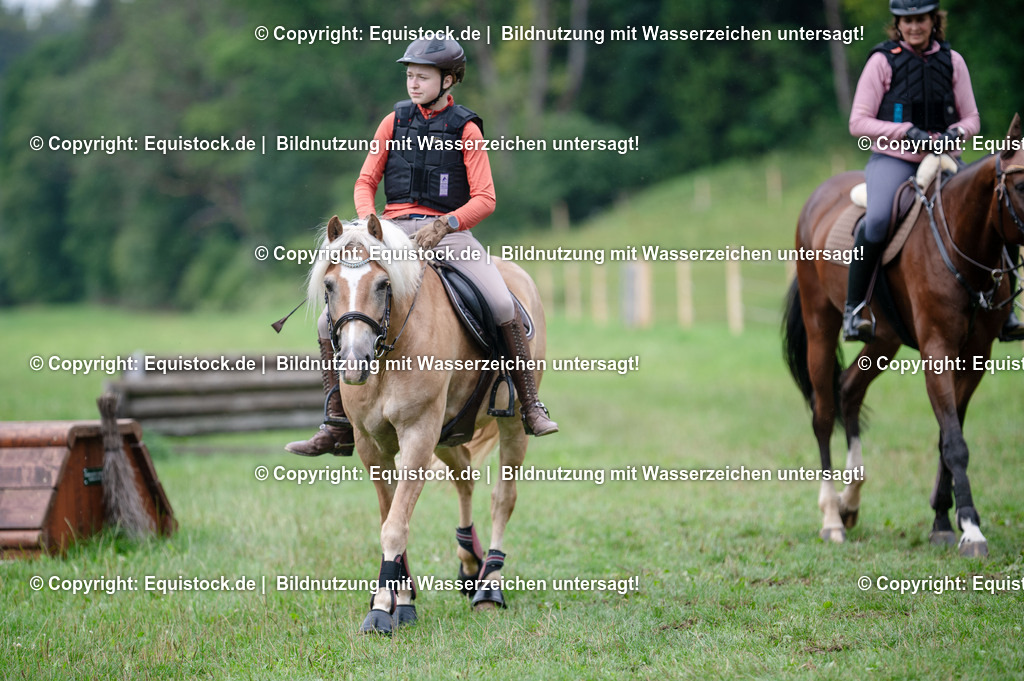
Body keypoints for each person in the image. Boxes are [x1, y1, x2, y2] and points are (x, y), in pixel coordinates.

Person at [286, 37, 557, 457]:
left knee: (502, 305)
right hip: (391, 232)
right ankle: (336, 421)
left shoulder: (466, 128)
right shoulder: (392, 122)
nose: (413, 83)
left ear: (448, 80)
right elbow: (365, 183)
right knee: (327, 323)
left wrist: (446, 223)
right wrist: (370, 227)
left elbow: (486, 198)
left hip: (450, 233)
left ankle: (530, 405)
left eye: (423, 77)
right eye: (410, 75)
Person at [845, 0, 1021, 342]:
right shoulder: (882, 61)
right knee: (879, 218)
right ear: (898, 24)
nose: (914, 27)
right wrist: (904, 131)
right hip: (895, 160)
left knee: (998, 206)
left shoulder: (953, 61)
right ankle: (855, 310)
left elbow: (972, 118)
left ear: (933, 21)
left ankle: (1006, 313)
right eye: (907, 21)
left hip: (945, 159)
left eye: (920, 20)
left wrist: (957, 132)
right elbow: (857, 122)